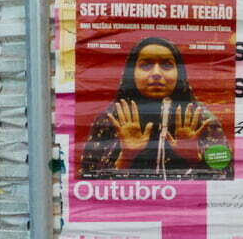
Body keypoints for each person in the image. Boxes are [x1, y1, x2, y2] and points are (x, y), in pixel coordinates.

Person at [79, 36, 230, 180]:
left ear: (180, 73)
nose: (157, 73)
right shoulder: (111, 118)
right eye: (146, 65)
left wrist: (193, 158)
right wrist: (127, 156)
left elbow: (224, 179)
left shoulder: (202, 119)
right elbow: (88, 181)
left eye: (166, 64)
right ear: (131, 72)